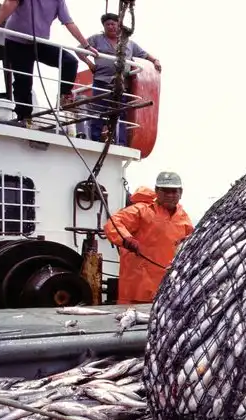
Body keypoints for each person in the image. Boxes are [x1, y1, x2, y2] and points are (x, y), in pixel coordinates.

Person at [0, 0, 98, 123]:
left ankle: (64, 96)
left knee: (70, 62)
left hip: (38, 43)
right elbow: (11, 2)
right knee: (23, 81)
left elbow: (69, 22)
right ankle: (24, 118)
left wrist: (86, 46)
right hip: (16, 41)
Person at [104, 172, 193, 305]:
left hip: (168, 290)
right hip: (136, 289)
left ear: (181, 193)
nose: (170, 195)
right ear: (156, 191)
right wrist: (126, 239)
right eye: (165, 191)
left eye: (174, 191)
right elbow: (113, 223)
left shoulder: (184, 217)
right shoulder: (140, 210)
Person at [85, 13, 161, 145]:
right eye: (107, 24)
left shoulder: (129, 44)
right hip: (102, 81)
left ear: (119, 26)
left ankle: (120, 142)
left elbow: (144, 54)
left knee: (120, 113)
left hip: (121, 85)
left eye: (113, 24)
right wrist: (89, 63)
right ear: (104, 26)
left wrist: (155, 60)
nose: (111, 27)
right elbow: (80, 49)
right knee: (98, 110)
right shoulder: (96, 39)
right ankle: (95, 139)